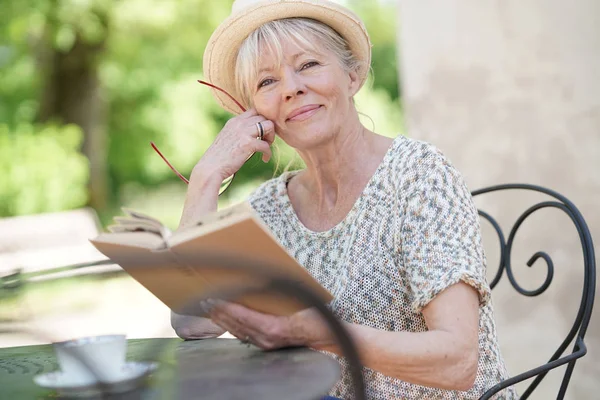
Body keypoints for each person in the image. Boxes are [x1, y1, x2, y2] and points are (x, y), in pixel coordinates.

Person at [170, 0, 516, 398]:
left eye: (308, 65)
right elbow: (192, 323)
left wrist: (317, 331)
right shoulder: (270, 210)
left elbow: (457, 361)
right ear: (254, 114)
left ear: (353, 76)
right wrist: (205, 178)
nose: (291, 88)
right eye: (267, 82)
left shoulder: (418, 175)